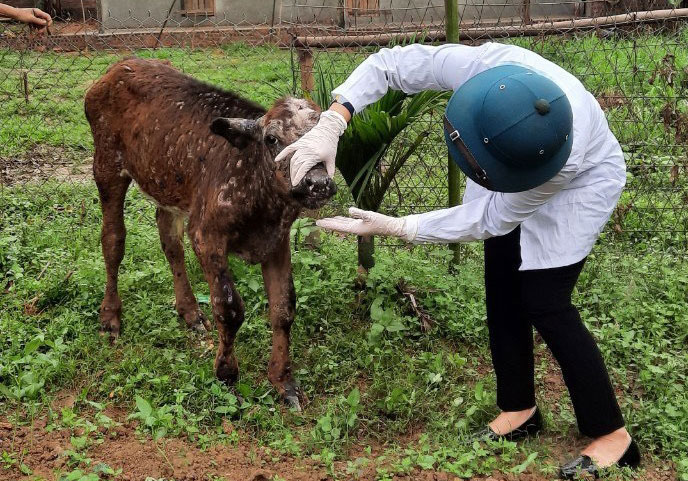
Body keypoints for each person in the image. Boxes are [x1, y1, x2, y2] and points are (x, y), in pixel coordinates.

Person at [275, 42, 640, 478]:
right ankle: (519, 409)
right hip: (507, 157)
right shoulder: (484, 66)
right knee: (501, 277)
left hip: (583, 182)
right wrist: (335, 119)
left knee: (545, 298)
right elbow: (391, 65)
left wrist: (399, 227)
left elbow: (486, 217)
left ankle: (613, 436)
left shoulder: (563, 161)